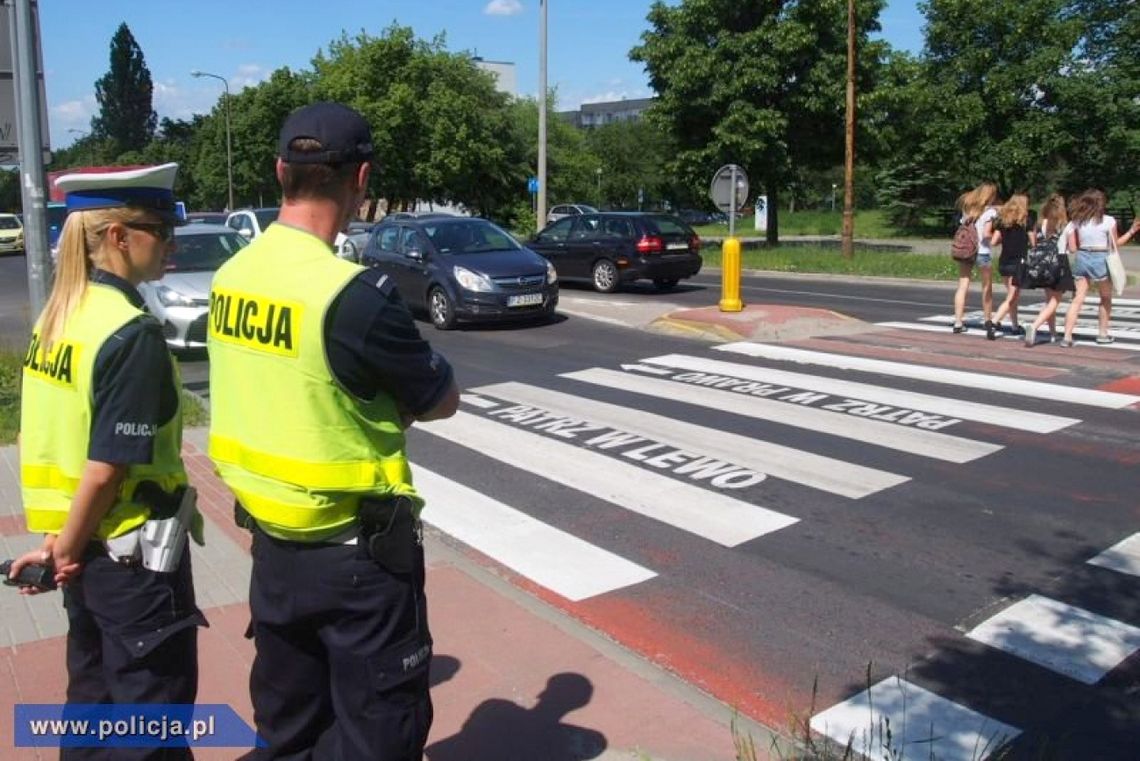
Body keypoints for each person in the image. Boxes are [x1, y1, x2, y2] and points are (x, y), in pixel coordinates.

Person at [206, 102, 459, 760]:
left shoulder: (230, 278)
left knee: (288, 733)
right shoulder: (355, 295)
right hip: (358, 565)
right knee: (377, 737)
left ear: (280, 170)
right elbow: (440, 398)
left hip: (270, 555)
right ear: (362, 178)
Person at [8, 163, 205, 760]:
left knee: (92, 706)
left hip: (83, 551)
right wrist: (64, 549)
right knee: (151, 723)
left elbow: (47, 438)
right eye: (159, 229)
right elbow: (106, 465)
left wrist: (57, 545)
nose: (171, 243)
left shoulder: (60, 316)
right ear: (118, 236)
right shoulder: (130, 331)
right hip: (130, 559)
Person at [1060, 189, 1140, 347]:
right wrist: (1132, 231)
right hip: (1101, 258)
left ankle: (1067, 336)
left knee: (1077, 299)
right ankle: (1102, 333)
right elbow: (1115, 245)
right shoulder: (1109, 221)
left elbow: (1074, 247)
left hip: (1082, 257)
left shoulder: (1078, 221)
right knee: (1105, 298)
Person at [1022, 193, 1074, 346]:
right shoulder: (1064, 225)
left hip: (1041, 263)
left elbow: (1035, 241)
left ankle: (1052, 333)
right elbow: (1071, 247)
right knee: (1055, 301)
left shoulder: (1040, 223)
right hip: (1058, 262)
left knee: (1049, 300)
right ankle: (1035, 325)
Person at [951, 182, 999, 333]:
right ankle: (987, 320)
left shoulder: (967, 210)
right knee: (986, 287)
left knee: (963, 284)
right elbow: (985, 234)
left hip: (966, 251)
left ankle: (958, 322)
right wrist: (996, 238)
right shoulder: (990, 213)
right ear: (990, 196)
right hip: (982, 252)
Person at [986, 193, 1034, 340]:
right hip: (1018, 262)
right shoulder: (1027, 221)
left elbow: (993, 242)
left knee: (1011, 296)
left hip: (1004, 261)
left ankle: (1014, 325)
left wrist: (1007, 240)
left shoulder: (1003, 221)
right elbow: (1033, 242)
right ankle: (993, 322)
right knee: (1013, 297)